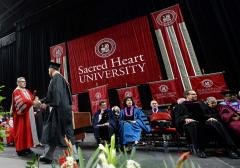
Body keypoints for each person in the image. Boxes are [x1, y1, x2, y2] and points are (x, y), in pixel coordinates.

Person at [173, 90, 239, 159]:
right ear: (187, 95)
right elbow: (178, 118)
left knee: (215, 122)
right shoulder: (180, 106)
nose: (195, 95)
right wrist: (185, 119)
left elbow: (208, 113)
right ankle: (199, 149)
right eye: (193, 94)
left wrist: (210, 118)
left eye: (195, 94)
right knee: (193, 124)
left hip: (204, 122)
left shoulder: (201, 104)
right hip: (191, 124)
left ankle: (230, 148)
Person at [39, 62, 78, 163]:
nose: (48, 71)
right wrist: (42, 101)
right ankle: (47, 156)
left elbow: (56, 96)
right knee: (51, 132)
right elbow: (52, 96)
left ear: (52, 69)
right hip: (61, 109)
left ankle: (76, 157)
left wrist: (47, 103)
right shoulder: (59, 79)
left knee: (67, 133)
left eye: (48, 69)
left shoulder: (57, 78)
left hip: (61, 111)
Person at [11, 77, 40, 156]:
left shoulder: (26, 90)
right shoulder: (16, 91)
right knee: (21, 131)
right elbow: (23, 101)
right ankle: (20, 150)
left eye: (25, 82)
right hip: (20, 115)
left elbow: (31, 98)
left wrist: (35, 98)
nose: (24, 83)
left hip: (28, 114)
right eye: (22, 82)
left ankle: (27, 147)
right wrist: (32, 102)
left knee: (27, 131)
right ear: (18, 83)